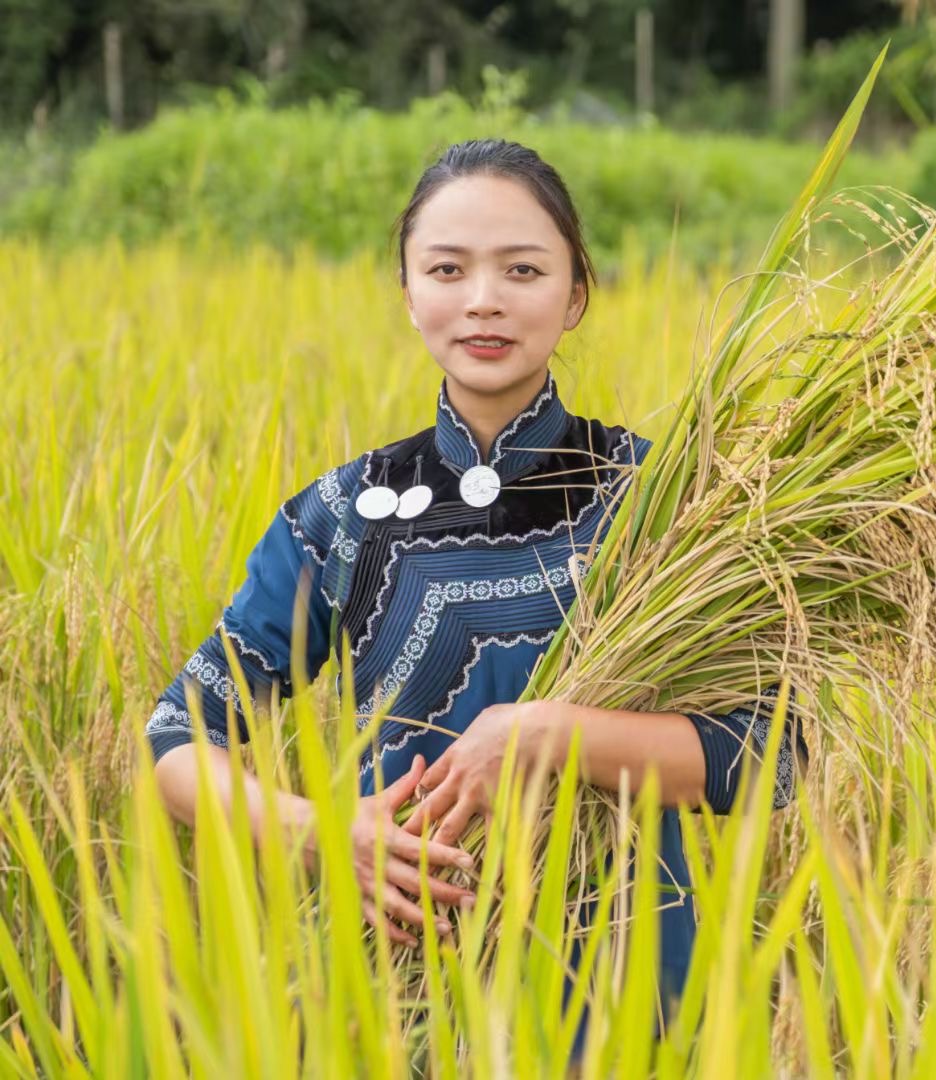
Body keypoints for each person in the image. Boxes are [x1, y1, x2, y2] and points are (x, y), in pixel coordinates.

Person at [143, 137, 808, 1057]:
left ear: (576, 294)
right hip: (399, 1002)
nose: (483, 298)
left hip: (626, 998)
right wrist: (318, 833)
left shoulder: (665, 504)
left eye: (523, 269)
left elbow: (771, 754)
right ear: (409, 292)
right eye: (447, 268)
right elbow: (179, 734)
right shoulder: (346, 515)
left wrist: (547, 737)